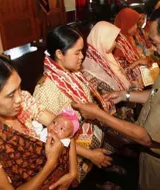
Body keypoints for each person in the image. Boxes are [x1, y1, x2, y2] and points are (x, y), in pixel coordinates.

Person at [72, 2, 160, 190]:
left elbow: (146, 137)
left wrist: (98, 115)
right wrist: (126, 95)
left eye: (156, 43)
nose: (153, 49)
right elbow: (159, 95)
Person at [0, 54, 76, 190]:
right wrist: (50, 163)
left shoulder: (24, 102)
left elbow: (66, 126)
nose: (19, 98)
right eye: (10, 95)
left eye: (19, 87)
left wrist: (72, 172)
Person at [33, 25, 112, 183]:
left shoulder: (73, 73)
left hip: (87, 140)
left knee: (92, 173)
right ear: (59, 54)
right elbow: (53, 137)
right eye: (77, 52)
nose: (82, 56)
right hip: (72, 153)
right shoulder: (47, 89)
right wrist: (90, 155)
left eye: (82, 51)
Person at [113, 8, 153, 88]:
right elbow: (120, 73)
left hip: (139, 82)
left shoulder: (128, 38)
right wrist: (138, 62)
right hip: (128, 87)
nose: (136, 27)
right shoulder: (117, 43)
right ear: (126, 23)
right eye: (133, 24)